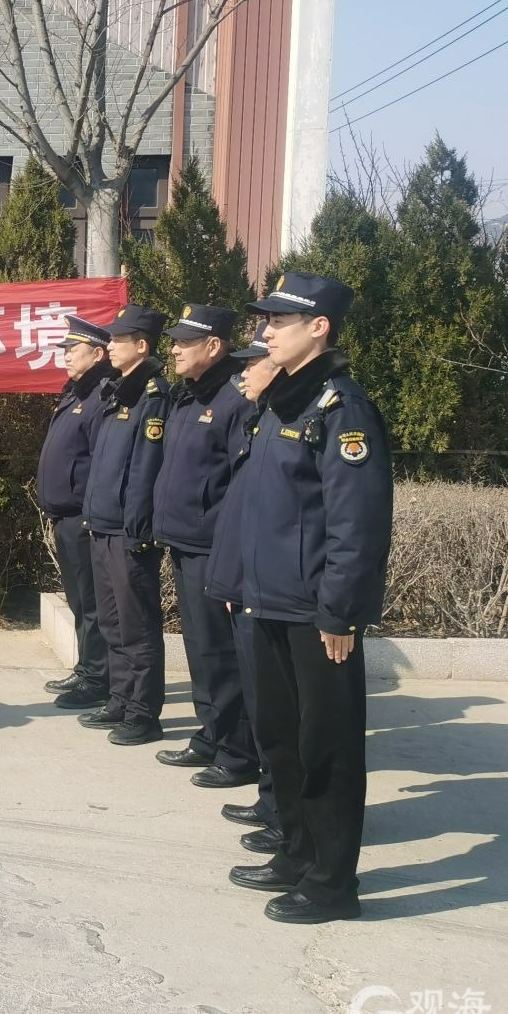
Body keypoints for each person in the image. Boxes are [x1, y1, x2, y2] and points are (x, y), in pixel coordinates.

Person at [226, 273, 393, 924]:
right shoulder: (283, 405)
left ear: (318, 328)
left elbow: (358, 521)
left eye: (279, 321)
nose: (266, 332)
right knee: (281, 740)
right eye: (266, 320)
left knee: (327, 748)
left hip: (315, 613)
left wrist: (341, 610)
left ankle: (331, 884)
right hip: (268, 601)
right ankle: (295, 855)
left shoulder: (340, 409)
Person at [151, 305, 259, 789]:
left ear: (213, 346)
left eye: (184, 342)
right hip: (184, 542)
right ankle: (211, 732)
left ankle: (238, 751)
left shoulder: (236, 399)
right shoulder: (188, 396)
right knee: (199, 647)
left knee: (222, 652)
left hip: (214, 547)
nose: (174, 349)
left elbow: (242, 483)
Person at [206, 328, 285, 847]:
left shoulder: (298, 420)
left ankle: (285, 813)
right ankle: (271, 798)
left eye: (252, 364)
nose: (242, 375)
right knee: (262, 702)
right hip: (247, 581)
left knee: (280, 709)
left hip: (277, 590)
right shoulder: (262, 420)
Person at [79, 305, 170, 745]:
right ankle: (120, 699)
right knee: (112, 623)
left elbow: (145, 470)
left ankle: (143, 712)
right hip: (103, 525)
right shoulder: (120, 391)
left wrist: (137, 530)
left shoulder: (152, 395)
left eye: (118, 339)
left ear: (142, 345)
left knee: (137, 626)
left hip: (127, 532)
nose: (110, 345)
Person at [37, 315, 117, 710]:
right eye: (65, 350)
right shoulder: (76, 392)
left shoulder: (100, 396)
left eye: (74, 350)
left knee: (92, 602)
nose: (66, 356)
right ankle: (87, 667)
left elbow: (102, 463)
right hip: (66, 518)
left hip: (83, 517)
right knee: (79, 601)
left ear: (98, 354)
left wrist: (89, 512)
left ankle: (97, 679)